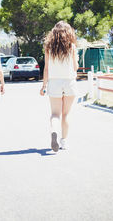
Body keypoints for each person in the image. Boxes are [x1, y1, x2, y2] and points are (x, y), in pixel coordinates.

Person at [40, 21, 79, 152]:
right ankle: (64, 141)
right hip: (69, 82)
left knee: (55, 114)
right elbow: (75, 67)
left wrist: (43, 86)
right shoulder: (72, 47)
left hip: (54, 82)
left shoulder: (48, 48)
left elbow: (46, 69)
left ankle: (54, 132)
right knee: (66, 114)